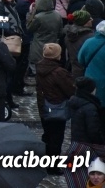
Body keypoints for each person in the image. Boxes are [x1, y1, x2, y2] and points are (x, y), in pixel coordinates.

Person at [36, 42, 75, 175]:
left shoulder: (39, 68)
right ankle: (52, 167)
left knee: (48, 135)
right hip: (57, 107)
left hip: (44, 107)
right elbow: (70, 89)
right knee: (56, 138)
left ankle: (46, 162)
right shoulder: (59, 72)